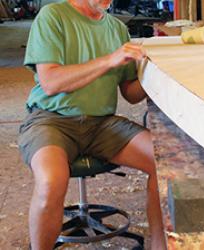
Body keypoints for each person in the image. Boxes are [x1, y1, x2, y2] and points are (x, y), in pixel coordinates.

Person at [18, 0, 167, 249]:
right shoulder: (53, 16)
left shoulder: (117, 29)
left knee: (164, 162)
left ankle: (159, 246)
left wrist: (155, 71)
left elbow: (130, 93)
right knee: (51, 182)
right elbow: (51, 82)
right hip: (51, 119)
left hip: (101, 124)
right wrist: (110, 60)